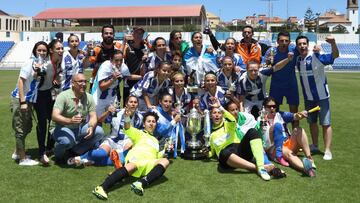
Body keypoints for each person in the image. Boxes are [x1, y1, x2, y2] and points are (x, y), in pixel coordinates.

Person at [92, 111, 171, 199]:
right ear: (144, 124)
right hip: (137, 159)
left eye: (153, 121)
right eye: (149, 121)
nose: (151, 123)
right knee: (131, 166)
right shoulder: (139, 133)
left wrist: (167, 150)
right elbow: (127, 127)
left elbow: (158, 158)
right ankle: (102, 187)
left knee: (165, 161)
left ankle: (140, 183)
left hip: (149, 162)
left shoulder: (156, 141)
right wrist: (126, 117)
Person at [295, 35, 339, 160]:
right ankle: (314, 145)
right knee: (312, 122)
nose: (302, 46)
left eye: (304, 43)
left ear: (308, 45)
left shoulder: (316, 56)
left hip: (322, 97)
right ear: (297, 46)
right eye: (300, 44)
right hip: (309, 98)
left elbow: (334, 56)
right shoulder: (298, 59)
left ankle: (327, 150)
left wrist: (333, 43)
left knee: (325, 123)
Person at [67, 96, 143, 168]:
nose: (133, 104)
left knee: (124, 159)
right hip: (112, 139)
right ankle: (80, 157)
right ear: (126, 104)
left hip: (126, 142)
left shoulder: (140, 117)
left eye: (135, 102)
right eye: (131, 102)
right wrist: (108, 112)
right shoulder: (117, 112)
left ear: (137, 105)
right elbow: (100, 120)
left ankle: (91, 161)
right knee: (101, 154)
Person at [208, 98, 273, 181]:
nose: (217, 115)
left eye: (219, 113)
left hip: (239, 150)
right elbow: (212, 152)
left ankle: (261, 167)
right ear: (211, 116)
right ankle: (256, 168)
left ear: (222, 115)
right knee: (223, 152)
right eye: (214, 113)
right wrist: (206, 153)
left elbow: (231, 118)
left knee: (253, 131)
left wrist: (220, 107)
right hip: (227, 158)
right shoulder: (212, 136)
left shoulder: (228, 124)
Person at [10, 41, 50, 166]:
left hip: (30, 100)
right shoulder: (29, 63)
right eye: (39, 50)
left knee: (28, 127)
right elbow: (21, 82)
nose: (42, 53)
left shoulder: (42, 65)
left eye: (44, 50)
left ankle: (17, 151)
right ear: (34, 51)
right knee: (21, 128)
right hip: (21, 99)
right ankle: (22, 159)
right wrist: (22, 101)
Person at [52, 73, 105, 162]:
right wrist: (69, 120)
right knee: (67, 141)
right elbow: (54, 116)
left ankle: (76, 151)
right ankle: (58, 155)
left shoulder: (89, 97)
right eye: (80, 81)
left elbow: (93, 116)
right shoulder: (63, 96)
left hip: (79, 128)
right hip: (62, 127)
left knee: (99, 132)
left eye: (85, 81)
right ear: (73, 83)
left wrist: (91, 127)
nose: (83, 84)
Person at [261, 97, 317, 177]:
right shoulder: (261, 119)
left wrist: (301, 114)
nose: (272, 108)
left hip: (288, 142)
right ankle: (306, 169)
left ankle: (310, 159)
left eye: (274, 106)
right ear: (264, 107)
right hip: (276, 147)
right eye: (269, 106)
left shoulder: (280, 115)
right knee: (289, 153)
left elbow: (295, 116)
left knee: (298, 130)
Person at [262, 31, 299, 128]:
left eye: (286, 41)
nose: (284, 43)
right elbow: (265, 69)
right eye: (281, 40)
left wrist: (316, 50)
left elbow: (305, 51)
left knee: (294, 111)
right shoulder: (271, 52)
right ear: (277, 41)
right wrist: (269, 62)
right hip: (276, 85)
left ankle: (295, 135)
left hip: (291, 85)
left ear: (290, 42)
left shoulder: (294, 50)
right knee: (273, 109)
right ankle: (273, 132)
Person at [91, 51, 131, 117]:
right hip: (99, 97)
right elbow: (101, 87)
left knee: (115, 119)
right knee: (96, 120)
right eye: (116, 60)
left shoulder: (123, 66)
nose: (119, 63)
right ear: (111, 60)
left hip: (112, 97)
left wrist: (143, 76)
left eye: (121, 60)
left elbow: (128, 77)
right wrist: (113, 79)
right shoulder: (105, 66)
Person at [89, 24, 122, 91]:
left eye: (111, 33)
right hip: (97, 83)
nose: (109, 35)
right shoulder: (97, 49)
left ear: (114, 35)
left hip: (113, 83)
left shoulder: (118, 47)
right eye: (106, 33)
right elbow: (91, 64)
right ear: (102, 35)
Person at [122, 26, 147, 106]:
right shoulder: (127, 46)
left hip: (141, 82)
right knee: (128, 105)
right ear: (132, 34)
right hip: (129, 81)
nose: (139, 35)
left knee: (140, 105)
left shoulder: (144, 47)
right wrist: (124, 41)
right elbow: (119, 56)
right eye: (137, 33)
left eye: (141, 33)